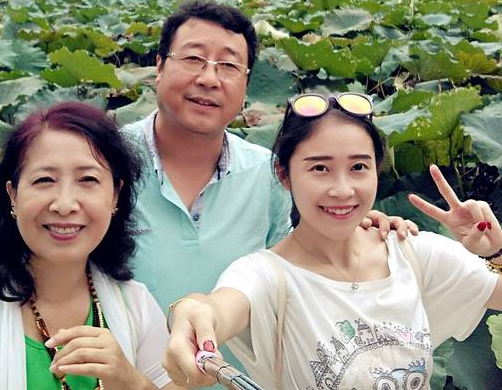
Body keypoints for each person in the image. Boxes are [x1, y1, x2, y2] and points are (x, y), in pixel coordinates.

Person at [0, 1, 413, 386]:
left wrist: (367, 228)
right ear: (159, 66)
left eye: (229, 65)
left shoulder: (270, 175)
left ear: (247, 83)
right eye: (193, 59)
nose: (209, 78)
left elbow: (309, 258)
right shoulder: (102, 164)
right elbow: (49, 226)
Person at [162, 92, 502, 390]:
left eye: (358, 167)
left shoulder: (412, 253)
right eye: (320, 169)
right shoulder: (264, 276)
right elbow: (218, 308)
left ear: (377, 169)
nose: (342, 190)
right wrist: (192, 312)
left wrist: (497, 251)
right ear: (284, 174)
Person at [0, 102, 175, 389]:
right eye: (44, 180)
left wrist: (132, 382)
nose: (65, 205)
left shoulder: (135, 305)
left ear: (115, 196)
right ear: (13, 195)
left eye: (88, 179)